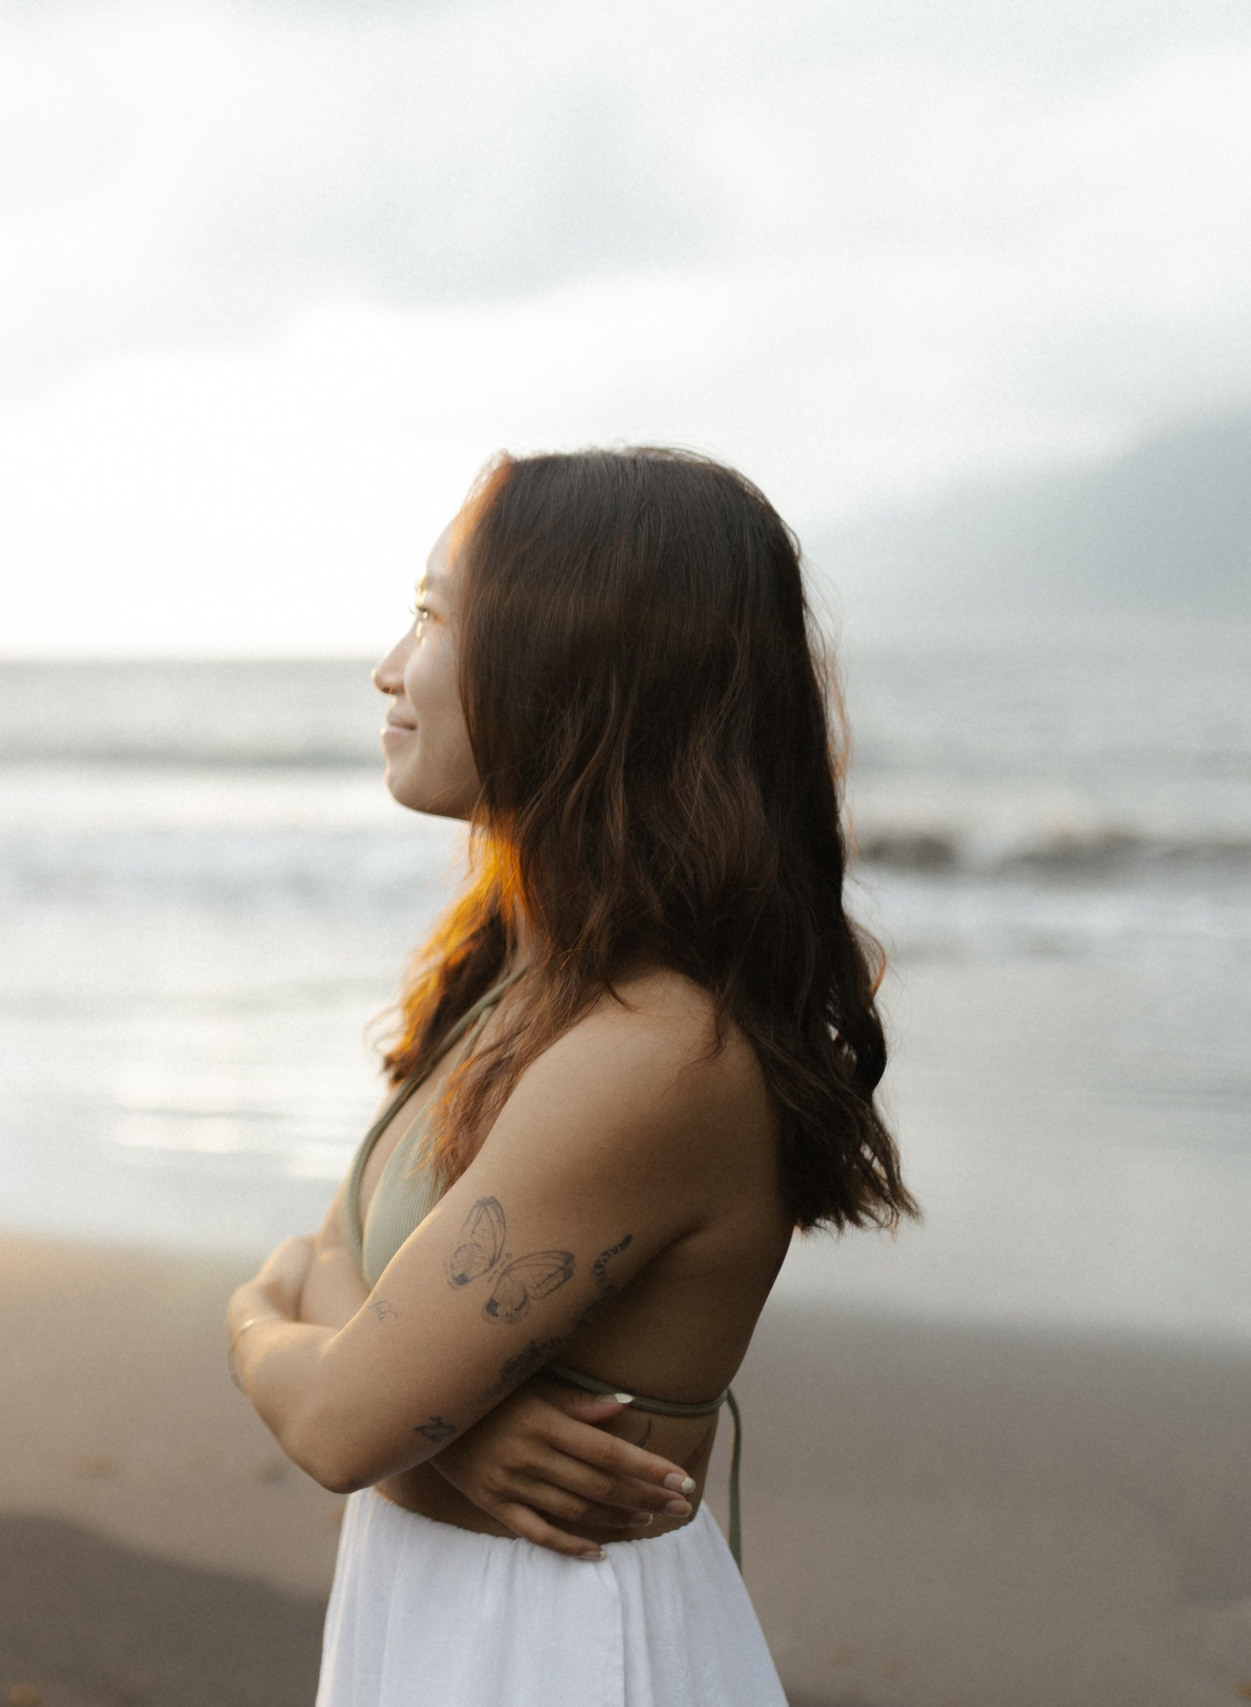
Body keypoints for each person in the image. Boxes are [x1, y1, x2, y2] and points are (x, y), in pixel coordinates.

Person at [225, 448, 913, 1705]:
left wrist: (252, 1326)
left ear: (572, 668)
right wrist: (445, 1432)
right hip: (445, 1604)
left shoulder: (651, 1058)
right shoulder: (518, 976)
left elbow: (332, 1416)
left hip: (557, 1646)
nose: (388, 666)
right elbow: (341, 1277)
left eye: (435, 615)